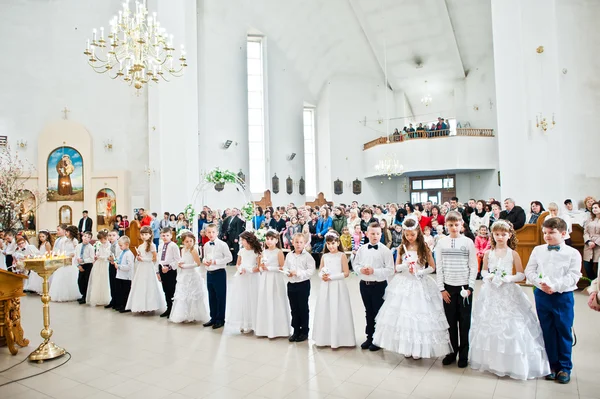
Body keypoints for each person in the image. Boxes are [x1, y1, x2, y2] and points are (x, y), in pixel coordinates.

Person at [470, 220, 550, 379]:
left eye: (503, 234)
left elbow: (521, 274)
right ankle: (492, 361)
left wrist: (509, 278)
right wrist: (490, 276)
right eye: (497, 234)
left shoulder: (513, 253)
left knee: (512, 324)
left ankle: (513, 363)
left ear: (509, 235)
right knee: (489, 323)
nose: (500, 237)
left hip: (507, 290)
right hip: (491, 291)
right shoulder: (488, 253)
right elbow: (484, 271)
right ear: (492, 235)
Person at [373, 217, 451, 359]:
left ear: (418, 233)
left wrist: (420, 271)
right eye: (407, 234)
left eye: (412, 234)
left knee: (418, 314)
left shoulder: (424, 247)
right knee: (404, 316)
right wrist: (405, 265)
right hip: (404, 282)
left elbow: (432, 267)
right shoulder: (401, 247)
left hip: (420, 282)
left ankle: (418, 347)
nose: (409, 237)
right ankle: (407, 346)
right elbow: (396, 267)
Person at [525, 217, 582, 384]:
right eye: (545, 233)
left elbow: (574, 276)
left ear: (563, 233)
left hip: (562, 296)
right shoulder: (538, 250)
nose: (547, 236)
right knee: (547, 330)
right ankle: (551, 364)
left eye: (551, 233)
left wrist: (555, 286)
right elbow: (530, 270)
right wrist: (539, 283)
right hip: (542, 295)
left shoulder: (573, 253)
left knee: (563, 330)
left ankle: (565, 367)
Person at [436, 211, 477, 368]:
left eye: (456, 224)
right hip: (448, 288)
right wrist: (441, 288)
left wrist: (470, 287)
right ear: (446, 225)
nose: (453, 227)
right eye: (450, 225)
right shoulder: (442, 243)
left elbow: (473, 266)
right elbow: (439, 267)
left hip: (464, 289)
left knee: (464, 322)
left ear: (462, 225)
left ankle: (464, 354)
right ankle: (452, 352)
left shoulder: (468, 242)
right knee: (450, 322)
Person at [353, 222, 394, 351]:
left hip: (379, 285)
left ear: (381, 234)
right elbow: (355, 264)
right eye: (372, 233)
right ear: (367, 234)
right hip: (364, 284)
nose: (375, 236)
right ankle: (369, 336)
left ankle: (378, 339)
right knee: (368, 311)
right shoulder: (362, 249)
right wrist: (361, 270)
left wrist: (374, 271)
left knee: (378, 312)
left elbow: (390, 270)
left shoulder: (385, 251)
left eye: (377, 233)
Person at [312, 232, 355, 348]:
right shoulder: (325, 256)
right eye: (328, 243)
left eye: (333, 243)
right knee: (326, 309)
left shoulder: (342, 255)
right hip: (326, 286)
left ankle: (341, 339)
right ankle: (326, 337)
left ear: (338, 243)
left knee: (338, 309)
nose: (331, 246)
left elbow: (346, 273)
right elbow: (320, 271)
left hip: (338, 286)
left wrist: (331, 277)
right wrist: (323, 276)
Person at [255, 230, 290, 338]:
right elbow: (260, 266)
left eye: (271, 239)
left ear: (276, 240)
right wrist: (261, 267)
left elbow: (283, 267)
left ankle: (279, 329)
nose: (269, 241)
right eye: (267, 239)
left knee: (275, 300)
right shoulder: (263, 252)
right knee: (265, 300)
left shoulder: (278, 252)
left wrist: (269, 268)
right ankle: (265, 329)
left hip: (275, 279)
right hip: (265, 278)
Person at [125, 226, 167, 314]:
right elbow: (139, 256)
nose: (144, 236)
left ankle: (151, 306)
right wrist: (138, 257)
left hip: (148, 268)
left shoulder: (152, 245)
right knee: (141, 286)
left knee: (149, 286)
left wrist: (144, 259)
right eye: (142, 234)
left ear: (150, 235)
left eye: (146, 234)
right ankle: (142, 306)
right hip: (141, 268)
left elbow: (155, 258)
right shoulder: (140, 246)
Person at [170, 231, 209, 323]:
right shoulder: (183, 250)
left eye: (191, 241)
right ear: (183, 242)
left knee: (192, 295)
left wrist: (186, 266)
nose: (189, 243)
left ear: (193, 241)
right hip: (184, 275)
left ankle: (193, 314)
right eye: (186, 241)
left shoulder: (193, 250)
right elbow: (183, 259)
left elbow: (198, 264)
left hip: (192, 275)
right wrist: (180, 263)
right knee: (183, 295)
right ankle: (184, 315)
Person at [227, 231, 262, 333]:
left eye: (242, 240)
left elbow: (259, 267)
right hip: (242, 277)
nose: (241, 242)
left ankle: (253, 323)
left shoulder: (257, 251)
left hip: (253, 277)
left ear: (248, 240)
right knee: (243, 298)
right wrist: (240, 269)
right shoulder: (241, 251)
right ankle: (244, 322)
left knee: (252, 299)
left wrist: (250, 270)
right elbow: (238, 264)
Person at [284, 233, 316, 343]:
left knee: (303, 308)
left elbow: (311, 271)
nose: (298, 244)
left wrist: (298, 273)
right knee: (294, 308)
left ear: (304, 244)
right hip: (291, 284)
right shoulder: (289, 255)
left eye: (301, 242)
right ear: (292, 242)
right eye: (296, 242)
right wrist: (287, 272)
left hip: (303, 284)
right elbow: (285, 267)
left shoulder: (308, 257)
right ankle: (296, 330)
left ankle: (304, 331)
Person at [202, 224, 233, 329]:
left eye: (213, 232)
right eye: (209, 232)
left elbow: (229, 258)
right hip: (209, 273)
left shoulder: (222, 244)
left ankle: (220, 319)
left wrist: (216, 262)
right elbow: (204, 257)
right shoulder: (206, 245)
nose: (211, 234)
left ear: (217, 232)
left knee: (220, 297)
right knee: (211, 296)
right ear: (206, 233)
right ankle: (213, 317)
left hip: (219, 272)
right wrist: (204, 261)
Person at [49, 225, 81, 302]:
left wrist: (72, 254)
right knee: (61, 276)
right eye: (65, 231)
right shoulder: (64, 241)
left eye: (67, 231)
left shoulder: (74, 241)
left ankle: (72, 293)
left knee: (71, 276)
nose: (66, 233)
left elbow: (76, 250)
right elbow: (62, 250)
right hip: (64, 258)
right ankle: (60, 293)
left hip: (71, 260)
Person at [157, 227, 181, 318]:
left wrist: (169, 267)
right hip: (162, 268)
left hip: (170, 270)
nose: (165, 237)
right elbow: (159, 259)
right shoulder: (160, 245)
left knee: (172, 289)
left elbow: (178, 260)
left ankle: (173, 309)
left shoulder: (173, 246)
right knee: (165, 289)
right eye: (163, 235)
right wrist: (158, 272)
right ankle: (168, 308)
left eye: (167, 235)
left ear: (171, 236)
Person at [86, 230, 112, 306]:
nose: (101, 241)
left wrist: (101, 257)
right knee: (97, 280)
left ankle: (105, 298)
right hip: (99, 264)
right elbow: (98, 252)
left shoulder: (109, 246)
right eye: (100, 239)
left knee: (105, 280)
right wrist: (97, 256)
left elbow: (108, 256)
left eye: (102, 239)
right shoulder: (100, 245)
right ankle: (97, 298)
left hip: (105, 264)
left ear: (106, 237)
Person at [113, 236, 135, 312]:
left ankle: (126, 306)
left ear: (126, 244)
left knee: (126, 292)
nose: (120, 247)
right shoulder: (122, 252)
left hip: (126, 277)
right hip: (120, 275)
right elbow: (119, 259)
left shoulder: (129, 254)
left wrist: (119, 266)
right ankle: (121, 304)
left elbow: (129, 266)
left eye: (121, 245)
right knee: (120, 291)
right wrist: (115, 261)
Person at [75, 231, 95, 305]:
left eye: (88, 237)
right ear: (82, 236)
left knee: (87, 281)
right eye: (85, 236)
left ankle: (86, 296)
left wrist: (84, 260)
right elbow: (76, 256)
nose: (86, 238)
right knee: (80, 281)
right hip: (80, 265)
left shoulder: (91, 247)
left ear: (90, 239)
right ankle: (82, 294)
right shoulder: (78, 246)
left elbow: (92, 258)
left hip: (87, 265)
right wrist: (78, 265)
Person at [583, 202, 600, 280]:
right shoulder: (589, 219)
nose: (594, 209)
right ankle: (593, 283)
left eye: (596, 208)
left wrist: (595, 243)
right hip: (588, 245)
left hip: (598, 245)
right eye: (593, 208)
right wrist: (588, 241)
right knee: (587, 265)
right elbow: (585, 232)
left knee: (598, 267)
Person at [105, 229, 120, 309]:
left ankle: (117, 301)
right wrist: (109, 258)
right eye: (110, 235)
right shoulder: (110, 245)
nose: (111, 237)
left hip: (117, 266)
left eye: (113, 235)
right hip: (111, 265)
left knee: (116, 284)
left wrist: (114, 260)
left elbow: (119, 257)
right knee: (111, 282)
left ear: (118, 236)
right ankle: (113, 300)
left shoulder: (118, 245)